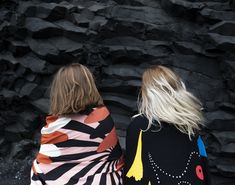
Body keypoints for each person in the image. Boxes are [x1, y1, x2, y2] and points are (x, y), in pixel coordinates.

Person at [31, 63, 124, 185]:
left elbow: (45, 165)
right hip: (105, 181)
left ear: (59, 92)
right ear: (90, 86)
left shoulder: (54, 128)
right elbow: (115, 158)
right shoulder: (103, 116)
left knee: (36, 168)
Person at [124, 65, 211, 185]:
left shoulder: (139, 126)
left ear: (148, 93)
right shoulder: (190, 124)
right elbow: (203, 169)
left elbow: (133, 174)